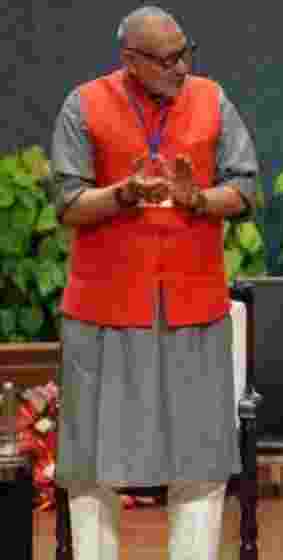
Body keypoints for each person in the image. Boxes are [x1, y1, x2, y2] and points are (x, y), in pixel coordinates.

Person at [49, 6, 258, 560]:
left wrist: (199, 199)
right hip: (105, 310)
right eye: (166, 60)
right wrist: (123, 193)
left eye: (186, 52)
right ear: (130, 60)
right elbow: (68, 203)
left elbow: (244, 189)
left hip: (193, 306)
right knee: (92, 464)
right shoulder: (84, 103)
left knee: (202, 461)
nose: (181, 68)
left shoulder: (213, 99)